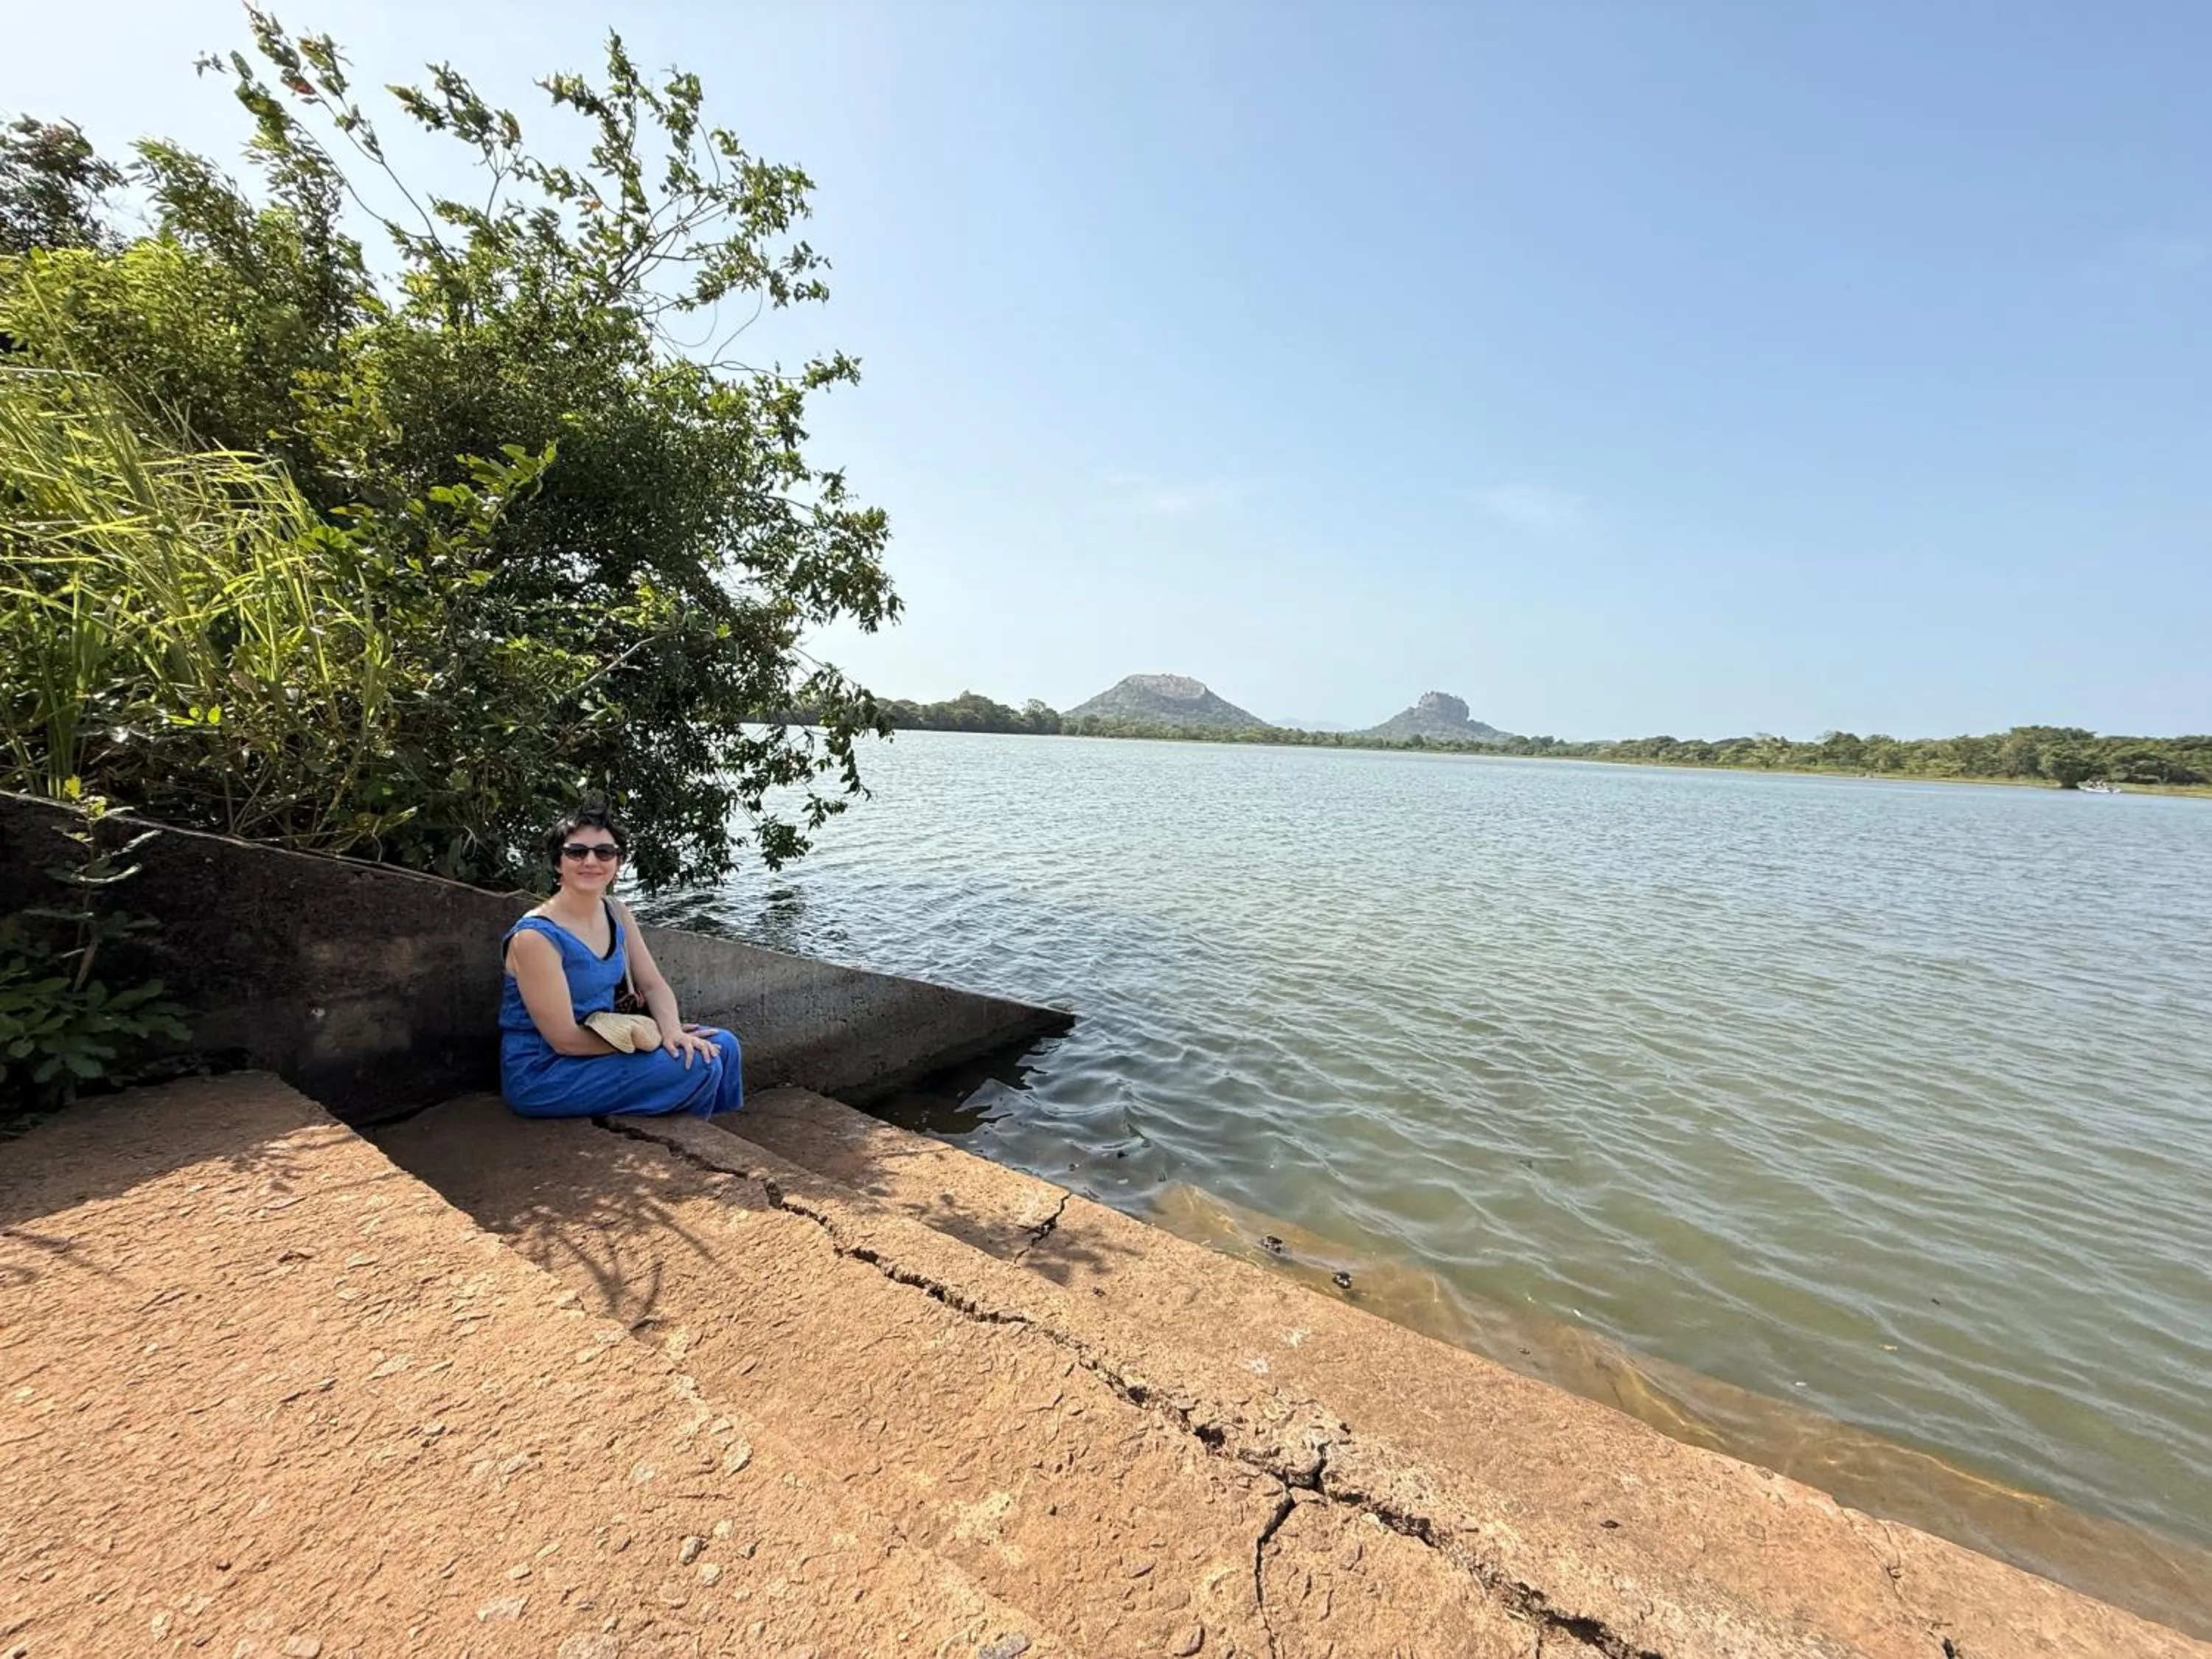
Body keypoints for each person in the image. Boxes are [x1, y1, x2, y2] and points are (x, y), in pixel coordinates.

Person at [498, 801, 743, 1118]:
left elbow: (653, 985)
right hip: (547, 1071)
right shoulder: (535, 938)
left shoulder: (615, 912)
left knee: (724, 1046)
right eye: (576, 852)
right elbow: (565, 1040)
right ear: (559, 863)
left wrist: (671, 1032)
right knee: (697, 1064)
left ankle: (706, 1129)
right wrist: (650, 1041)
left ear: (619, 862)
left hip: (605, 1044)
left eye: (604, 852)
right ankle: (685, 1137)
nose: (590, 861)